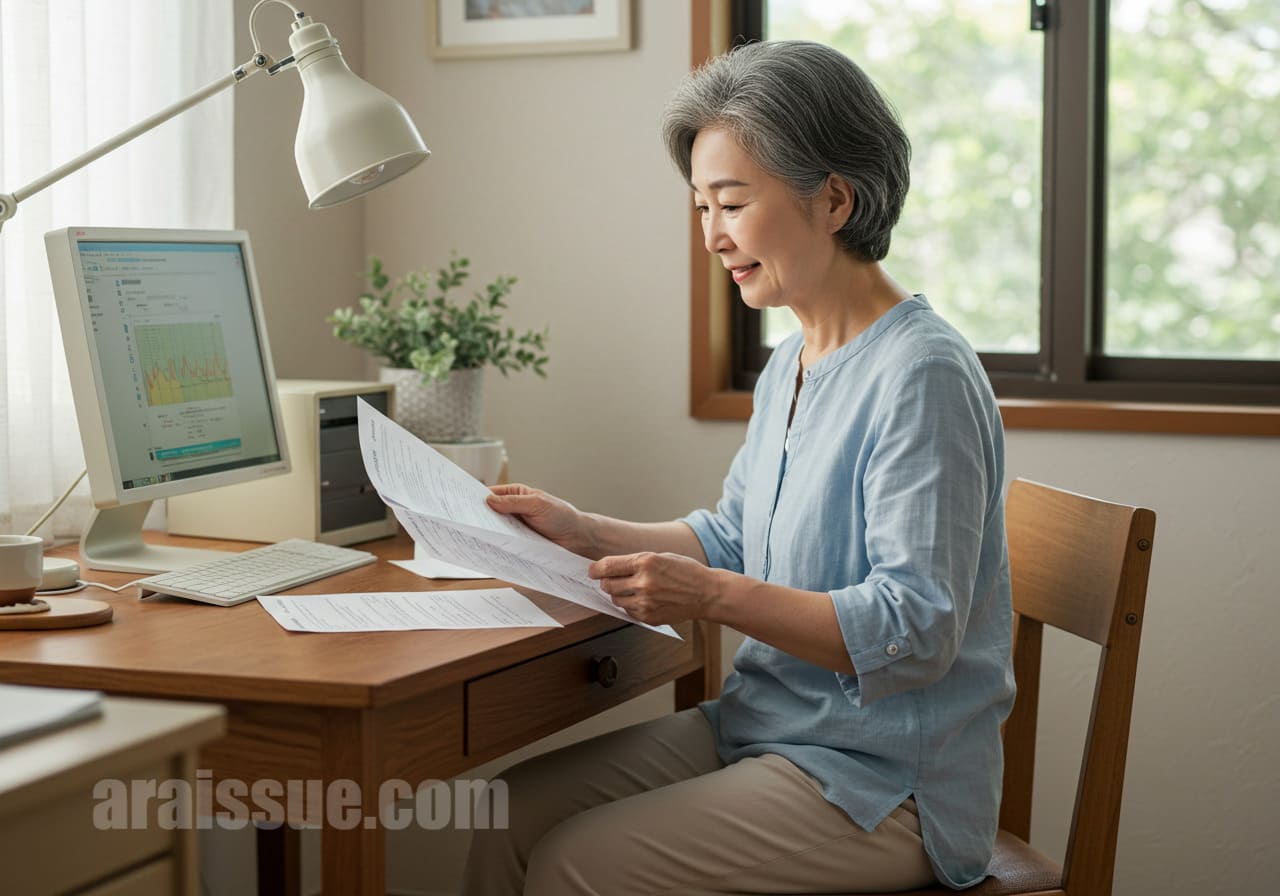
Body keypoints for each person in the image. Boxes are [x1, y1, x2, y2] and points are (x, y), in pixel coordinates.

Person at [460, 40, 1014, 895]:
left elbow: (916, 626)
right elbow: (728, 536)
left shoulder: (922, 374)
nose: (713, 236)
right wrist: (585, 528)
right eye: (700, 207)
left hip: (883, 782)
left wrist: (708, 597)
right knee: (503, 813)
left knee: (582, 864)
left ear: (833, 200)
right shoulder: (790, 362)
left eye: (731, 203)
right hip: (767, 726)